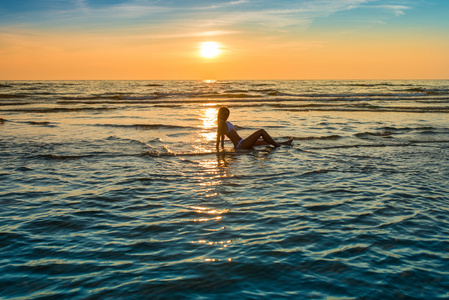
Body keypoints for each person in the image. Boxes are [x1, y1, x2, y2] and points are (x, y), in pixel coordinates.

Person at [216, 106, 292, 150]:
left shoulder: (224, 122)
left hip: (242, 142)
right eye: (225, 115)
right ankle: (278, 145)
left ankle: (283, 143)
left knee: (264, 141)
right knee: (261, 131)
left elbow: (222, 137)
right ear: (220, 114)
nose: (227, 116)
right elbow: (219, 136)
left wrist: (222, 149)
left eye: (228, 114)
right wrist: (218, 149)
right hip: (240, 145)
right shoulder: (221, 122)